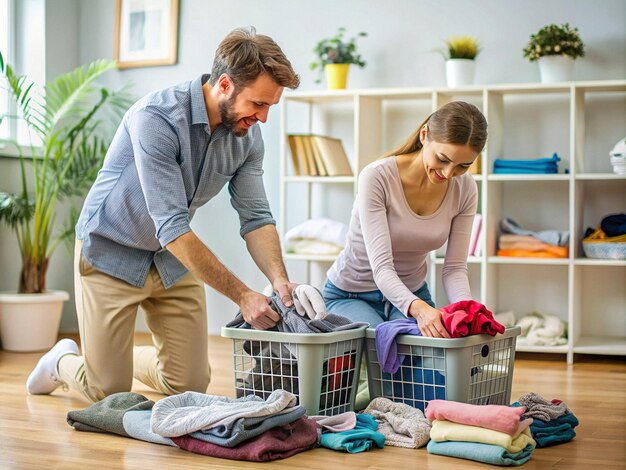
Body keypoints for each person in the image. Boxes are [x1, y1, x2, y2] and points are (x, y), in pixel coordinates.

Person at [26, 27, 324, 403]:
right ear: (226, 85)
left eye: (269, 107)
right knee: (107, 391)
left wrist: (280, 282)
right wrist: (243, 296)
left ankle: (112, 359)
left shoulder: (247, 137)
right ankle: (64, 361)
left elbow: (256, 216)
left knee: (188, 384)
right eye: (258, 104)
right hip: (111, 250)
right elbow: (171, 226)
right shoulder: (158, 117)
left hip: (168, 259)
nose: (263, 117)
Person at [323, 101, 488, 337]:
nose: (449, 173)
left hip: (413, 292)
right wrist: (420, 311)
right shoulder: (377, 177)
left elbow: (454, 268)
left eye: (463, 165)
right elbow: (381, 267)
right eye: (442, 159)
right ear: (424, 136)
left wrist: (467, 312)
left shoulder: (466, 188)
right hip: (352, 293)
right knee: (383, 348)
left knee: (438, 361)